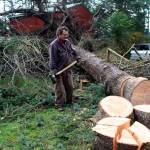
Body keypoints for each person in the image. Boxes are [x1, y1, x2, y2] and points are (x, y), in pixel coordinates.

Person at [49, 26, 78, 110]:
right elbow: (52, 58)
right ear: (59, 35)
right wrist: (54, 70)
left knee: (70, 86)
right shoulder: (53, 45)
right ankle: (59, 104)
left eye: (67, 34)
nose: (66, 36)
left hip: (67, 68)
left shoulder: (67, 42)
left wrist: (76, 56)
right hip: (58, 69)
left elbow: (72, 50)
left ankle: (69, 101)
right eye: (64, 35)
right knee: (60, 89)